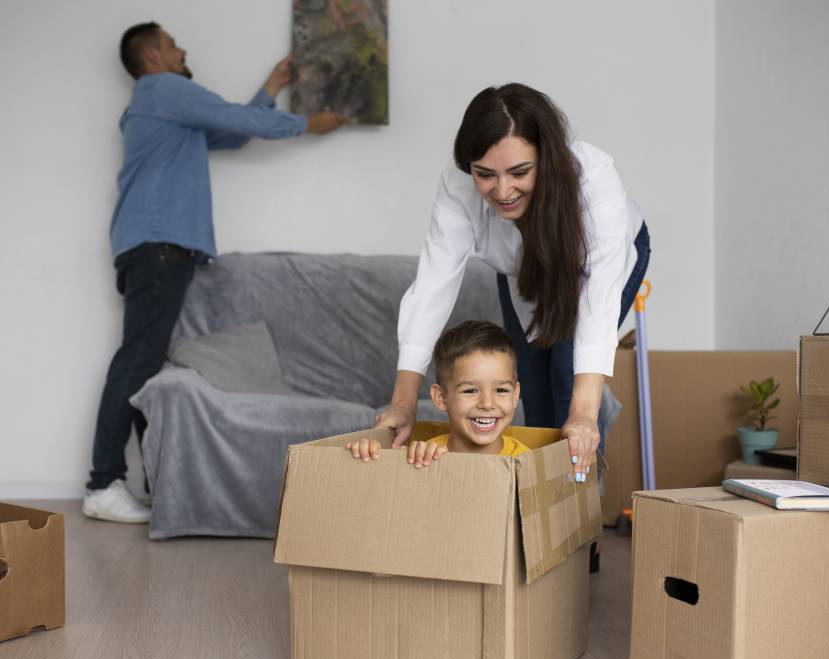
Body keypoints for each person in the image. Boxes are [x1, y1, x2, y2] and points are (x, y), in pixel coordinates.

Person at [83, 22, 348, 523]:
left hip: (157, 249)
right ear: (153, 58)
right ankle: (102, 484)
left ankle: (146, 487)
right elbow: (239, 120)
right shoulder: (164, 89)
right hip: (158, 248)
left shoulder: (163, 110)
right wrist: (309, 125)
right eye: (171, 44)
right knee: (136, 364)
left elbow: (233, 132)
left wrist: (271, 87)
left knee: (145, 366)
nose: (182, 49)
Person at [377, 83, 650, 481]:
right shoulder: (456, 188)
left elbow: (600, 294)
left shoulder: (592, 180)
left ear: (547, 158)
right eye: (485, 175)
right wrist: (402, 403)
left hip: (597, 272)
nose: (502, 191)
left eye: (519, 172)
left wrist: (584, 413)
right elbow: (433, 286)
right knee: (534, 391)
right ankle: (539, 511)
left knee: (567, 382)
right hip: (523, 271)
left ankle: (580, 515)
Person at [347, 320, 530, 465]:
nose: (487, 403)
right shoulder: (424, 456)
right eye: (470, 390)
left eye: (501, 390)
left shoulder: (526, 462)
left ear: (515, 395)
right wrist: (368, 457)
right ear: (441, 398)